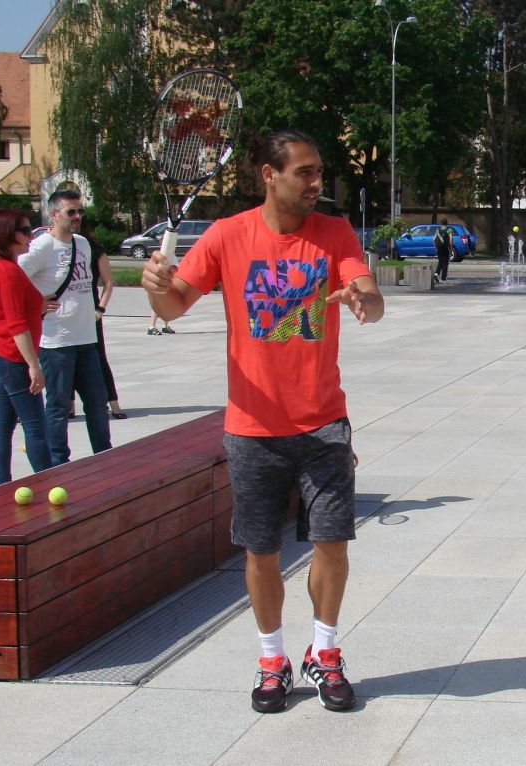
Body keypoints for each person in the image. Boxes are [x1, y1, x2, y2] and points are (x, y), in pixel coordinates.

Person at [141, 129, 384, 715]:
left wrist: (363, 299)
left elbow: (371, 300)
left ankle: (324, 651)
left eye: (319, 171)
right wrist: (154, 289)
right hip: (253, 429)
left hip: (323, 422)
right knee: (261, 551)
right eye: (305, 172)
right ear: (269, 175)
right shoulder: (228, 236)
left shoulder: (335, 232)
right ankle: (272, 659)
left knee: (332, 543)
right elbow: (173, 304)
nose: (316, 182)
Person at [19, 190, 112, 465]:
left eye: (80, 211)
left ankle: (105, 457)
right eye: (71, 212)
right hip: (56, 341)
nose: (77, 216)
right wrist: (35, 305)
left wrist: (97, 311)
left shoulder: (82, 244)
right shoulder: (41, 247)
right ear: (54, 215)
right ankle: (58, 463)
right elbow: (12, 278)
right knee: (59, 406)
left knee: (97, 403)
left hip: (86, 338)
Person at [0, 208, 54, 485]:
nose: (31, 236)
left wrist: (38, 308)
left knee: (2, 427)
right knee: (36, 429)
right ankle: (49, 484)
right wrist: (34, 366)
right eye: (24, 231)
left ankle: (1, 486)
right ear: (7, 234)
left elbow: (4, 311)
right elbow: (16, 324)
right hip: (12, 357)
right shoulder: (8, 272)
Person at [83, 220, 125, 419]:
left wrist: (100, 308)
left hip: (90, 312)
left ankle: (114, 403)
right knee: (67, 359)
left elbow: (108, 282)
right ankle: (69, 405)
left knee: (99, 357)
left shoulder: (94, 250)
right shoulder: (58, 249)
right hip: (65, 314)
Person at [434, 217, 453, 283]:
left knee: (440, 261)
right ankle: (443, 279)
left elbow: (434, 239)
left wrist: (436, 247)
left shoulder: (438, 229)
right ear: (446, 223)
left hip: (439, 248)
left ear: (441, 223)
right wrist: (451, 248)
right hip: (446, 247)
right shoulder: (449, 229)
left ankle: (436, 273)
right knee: (445, 263)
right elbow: (450, 240)